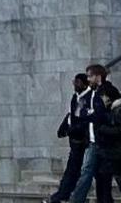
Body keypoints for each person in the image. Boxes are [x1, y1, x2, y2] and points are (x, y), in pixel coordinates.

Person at [43, 73, 97, 203]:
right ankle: (63, 193)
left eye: (78, 82)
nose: (75, 85)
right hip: (76, 141)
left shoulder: (91, 97)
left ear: (84, 84)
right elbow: (71, 115)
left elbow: (89, 117)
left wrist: (76, 128)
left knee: (86, 171)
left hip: (88, 140)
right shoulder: (75, 98)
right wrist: (65, 127)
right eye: (74, 82)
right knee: (72, 170)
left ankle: (75, 196)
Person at [87, 79, 121, 203]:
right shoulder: (113, 111)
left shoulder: (120, 111)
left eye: (102, 97)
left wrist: (104, 129)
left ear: (108, 97)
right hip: (116, 154)